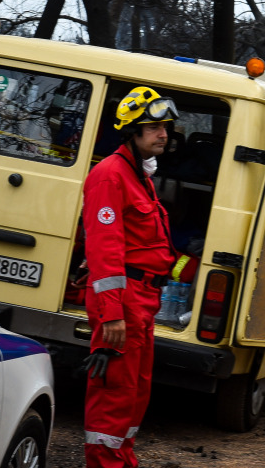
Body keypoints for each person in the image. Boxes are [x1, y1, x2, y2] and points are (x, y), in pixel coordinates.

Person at [81, 86, 180, 468]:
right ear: (132, 131)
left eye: (165, 127)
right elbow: (105, 251)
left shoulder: (138, 176)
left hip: (141, 304)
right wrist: (112, 315)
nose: (164, 134)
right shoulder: (111, 176)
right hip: (124, 305)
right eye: (153, 127)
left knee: (134, 394)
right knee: (114, 399)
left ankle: (122, 461)